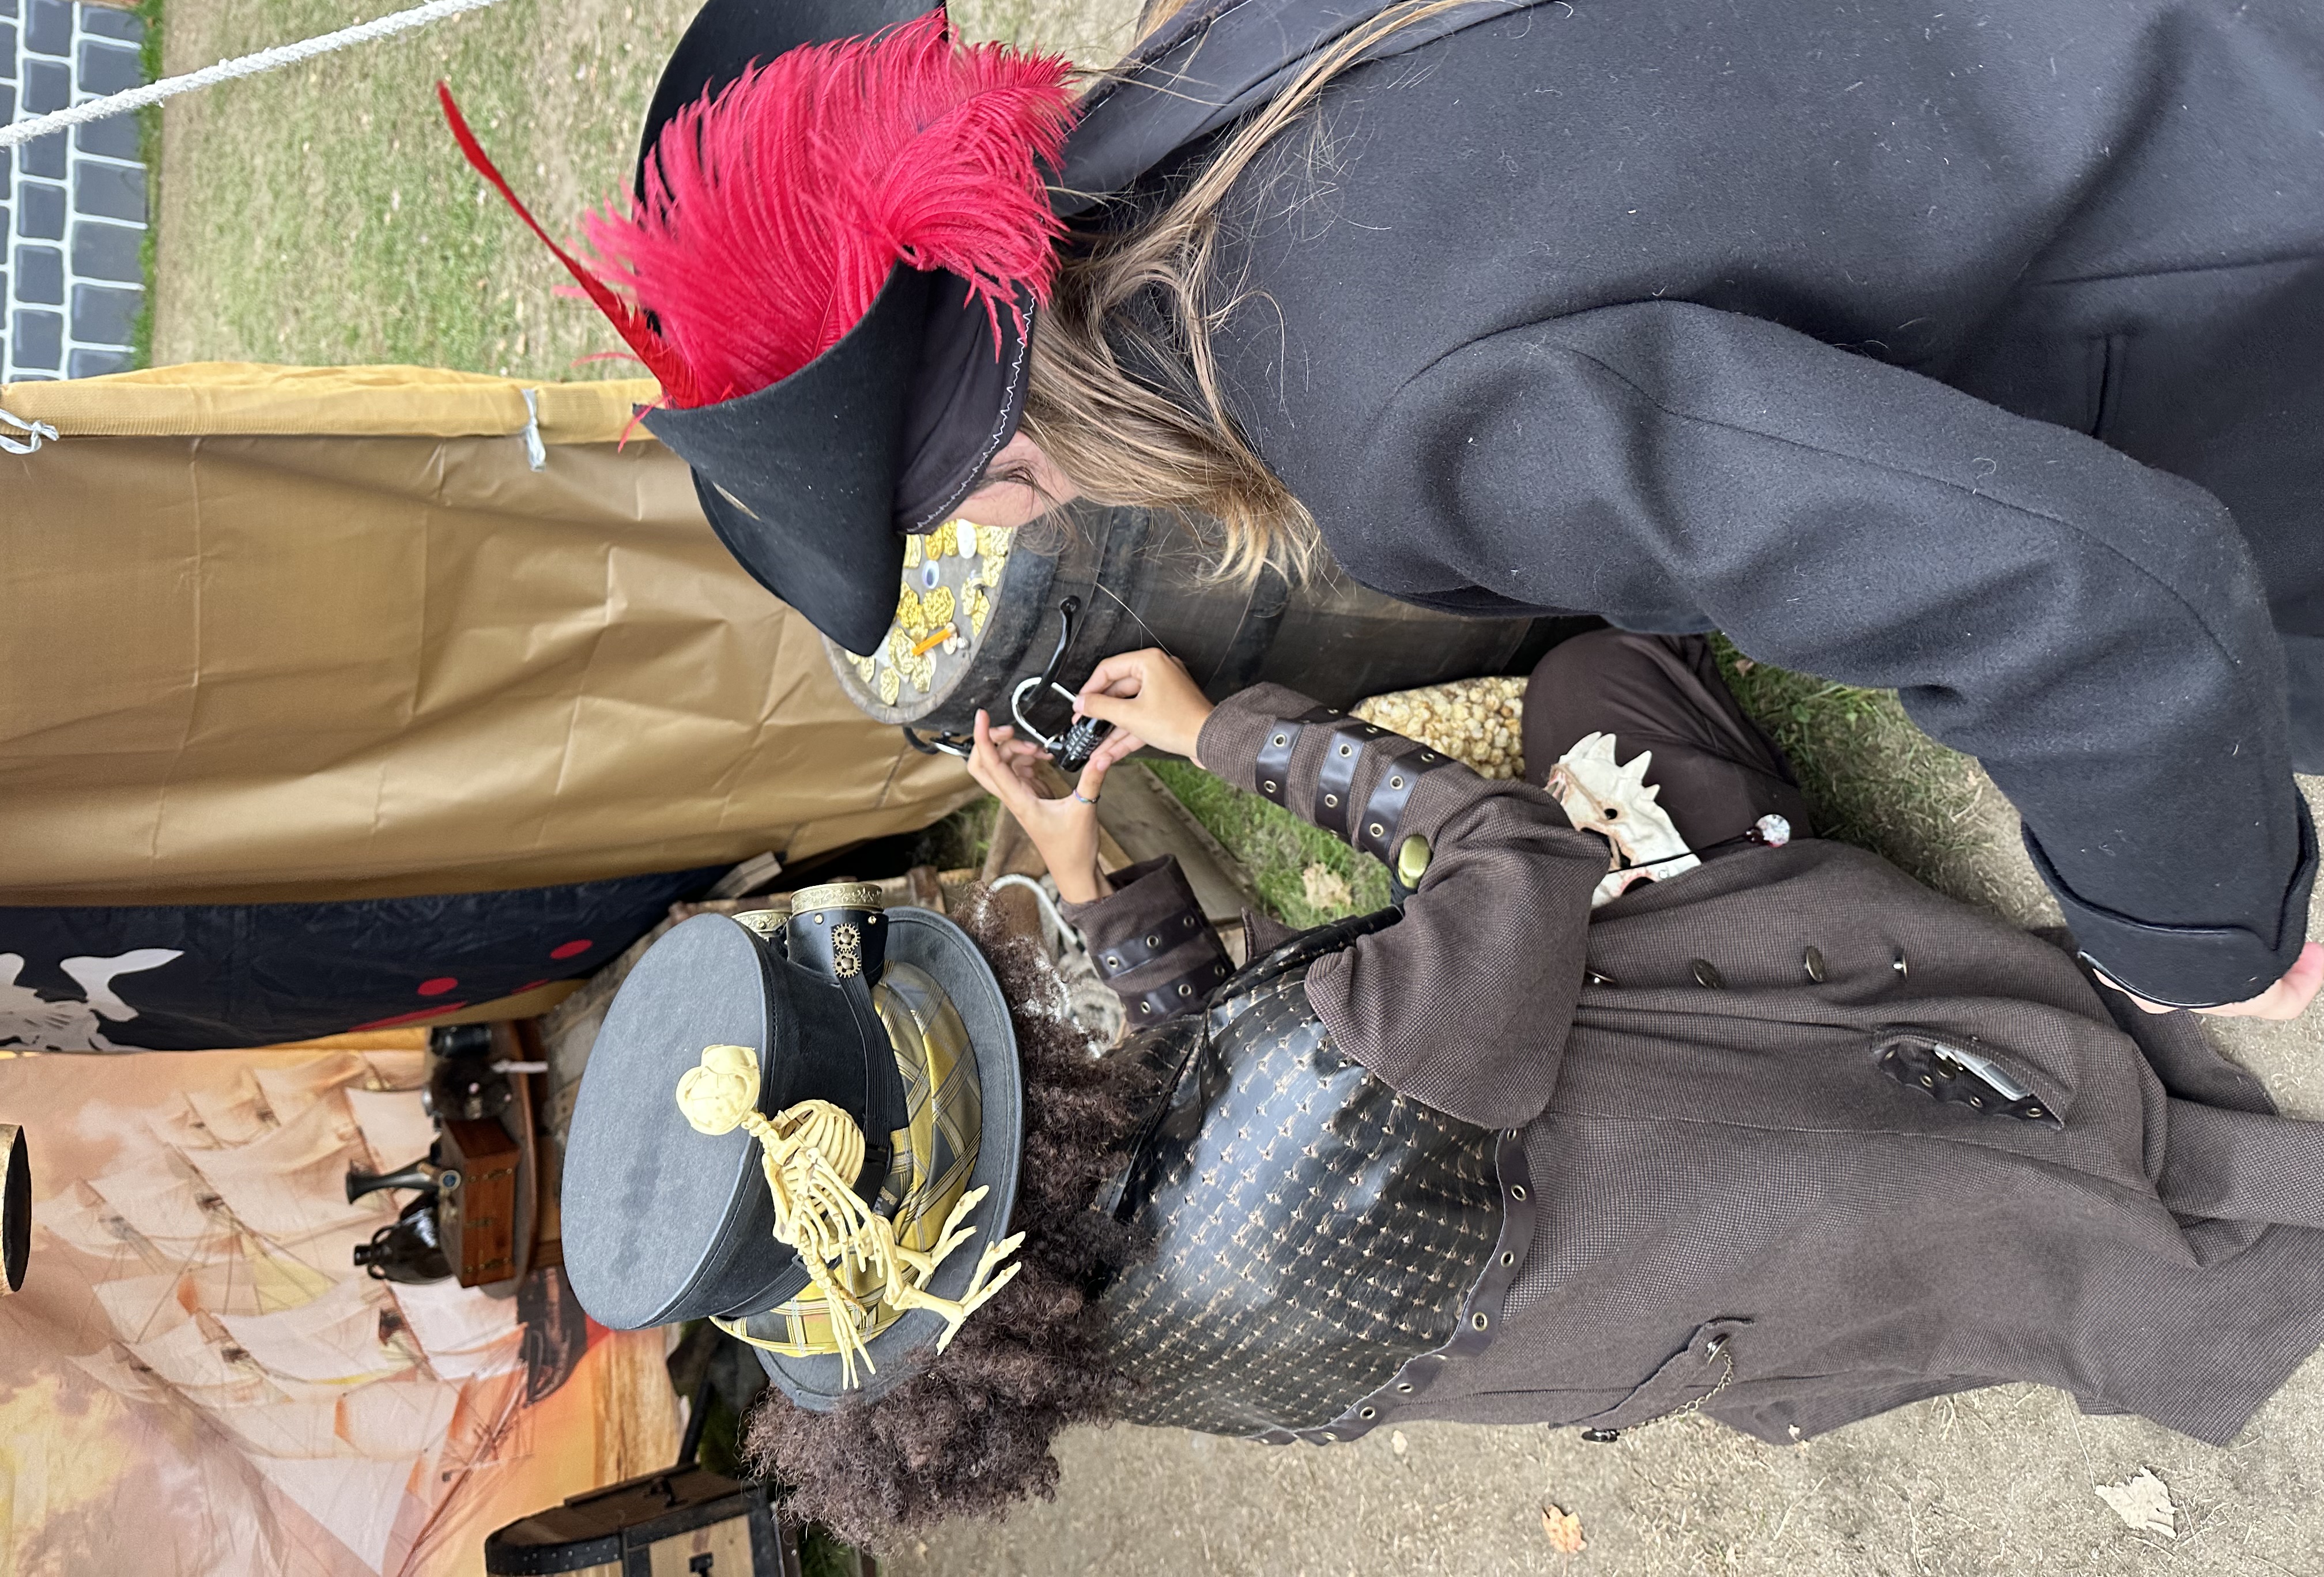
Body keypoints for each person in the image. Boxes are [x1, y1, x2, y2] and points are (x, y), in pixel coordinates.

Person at [451, 0, 2322, 1016]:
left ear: (1010, 473)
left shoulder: (1406, 427)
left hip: (2237, 242)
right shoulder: (1227, 24)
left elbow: (2095, 602)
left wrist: (2196, 928)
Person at [557, 629, 2324, 1547]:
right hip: (1835, 1126)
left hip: (1724, 1301)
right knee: (1598, 683)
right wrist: (1221, 734)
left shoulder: (1066, 1341)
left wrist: (1083, 865)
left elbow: (1175, 1137)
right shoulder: (1339, 1068)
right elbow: (1515, 862)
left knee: (1591, 728)